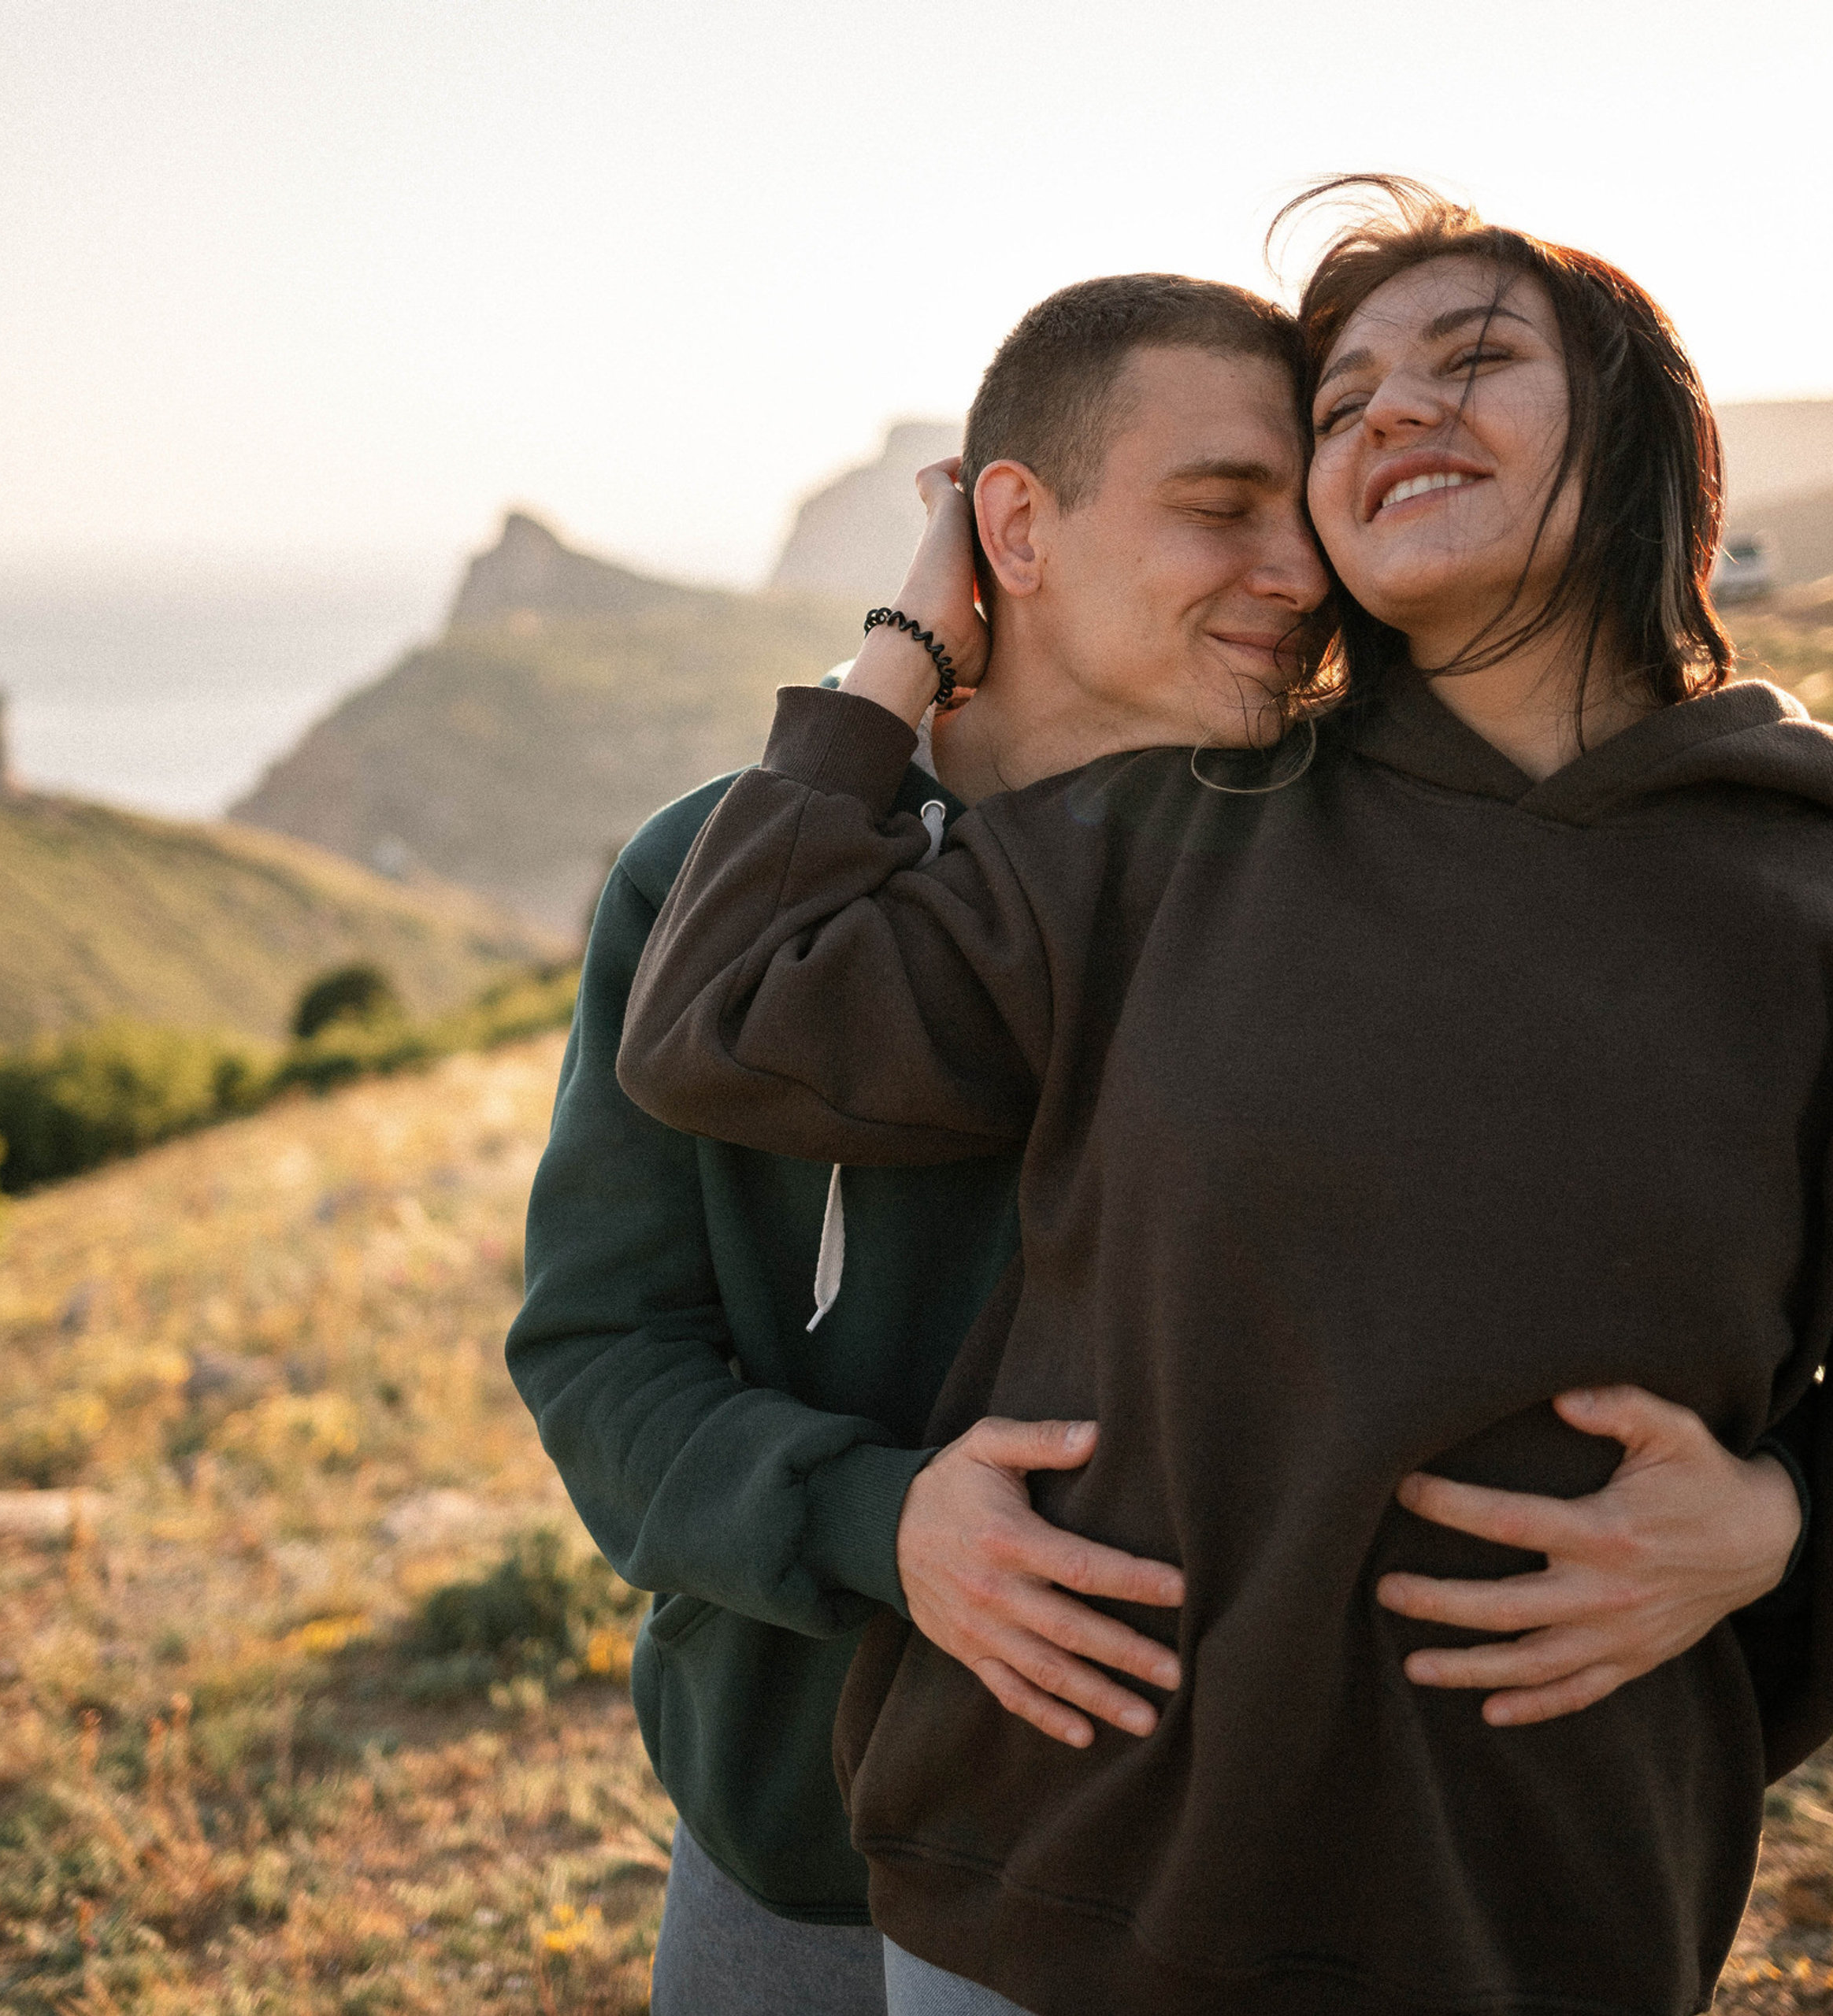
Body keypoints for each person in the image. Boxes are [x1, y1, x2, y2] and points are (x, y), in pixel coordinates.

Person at [616, 193, 1827, 2016]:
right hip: (1039, 1887)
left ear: (1645, 431)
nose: (1391, 417)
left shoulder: (1804, 877)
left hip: (1531, 1907)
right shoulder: (1184, 822)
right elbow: (725, 1021)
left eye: (1475, 359)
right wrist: (901, 648)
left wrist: (1787, 1519)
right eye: (1339, 406)